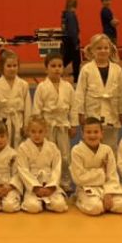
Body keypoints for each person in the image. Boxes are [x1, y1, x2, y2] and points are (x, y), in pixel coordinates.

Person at [73, 34, 122, 152]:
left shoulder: (117, 70)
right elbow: (80, 93)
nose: (103, 51)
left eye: (106, 48)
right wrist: (80, 113)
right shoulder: (86, 69)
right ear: (92, 50)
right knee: (91, 145)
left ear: (110, 49)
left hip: (112, 113)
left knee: (111, 147)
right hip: (92, 112)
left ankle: (110, 164)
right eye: (99, 48)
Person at [32, 53, 77, 190]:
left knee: (65, 155)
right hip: (47, 125)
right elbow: (37, 109)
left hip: (63, 124)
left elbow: (73, 107)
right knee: (48, 154)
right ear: (46, 69)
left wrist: (73, 125)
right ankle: (49, 181)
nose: (57, 69)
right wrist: (38, 128)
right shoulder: (42, 87)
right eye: (53, 66)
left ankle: (65, 181)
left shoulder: (68, 87)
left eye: (60, 66)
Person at [70, 118, 122, 217]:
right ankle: (78, 199)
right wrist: (101, 172)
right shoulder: (76, 151)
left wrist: (108, 193)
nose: (92, 135)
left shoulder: (107, 150)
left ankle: (102, 202)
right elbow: (79, 178)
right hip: (86, 188)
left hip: (105, 187)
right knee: (96, 208)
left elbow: (112, 175)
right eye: (88, 132)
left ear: (101, 133)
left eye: (96, 132)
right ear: (82, 134)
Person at [16, 115, 69, 214]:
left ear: (46, 132)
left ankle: (46, 202)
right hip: (33, 185)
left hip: (49, 184)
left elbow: (57, 168)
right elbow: (23, 170)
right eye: (33, 132)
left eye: (40, 132)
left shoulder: (52, 147)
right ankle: (41, 202)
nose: (37, 135)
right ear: (28, 132)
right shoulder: (23, 148)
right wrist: (36, 187)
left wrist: (51, 186)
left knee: (60, 206)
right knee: (33, 207)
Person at [0, 49, 32, 148]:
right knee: (2, 148)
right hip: (2, 122)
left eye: (15, 65)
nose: (12, 68)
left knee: (20, 148)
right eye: (9, 66)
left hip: (18, 122)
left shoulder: (23, 85)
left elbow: (28, 107)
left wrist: (26, 125)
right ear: (2, 67)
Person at [60, 0, 81, 80]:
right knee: (76, 60)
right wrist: (76, 42)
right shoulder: (71, 15)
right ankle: (76, 77)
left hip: (66, 39)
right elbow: (73, 30)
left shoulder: (64, 15)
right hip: (71, 40)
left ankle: (58, 68)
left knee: (68, 57)